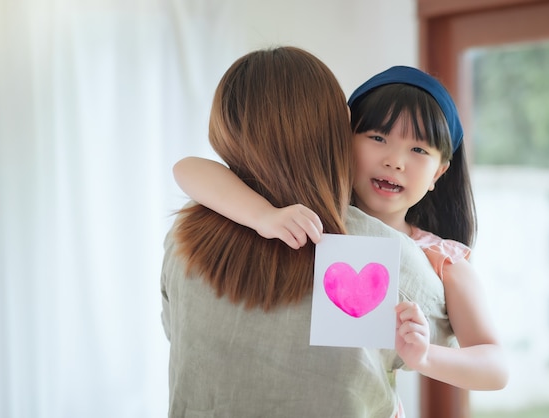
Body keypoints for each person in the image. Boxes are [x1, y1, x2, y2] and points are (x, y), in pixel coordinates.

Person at [172, 65, 509, 393]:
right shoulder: (303, 212)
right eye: (378, 137)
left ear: (439, 173)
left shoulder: (442, 259)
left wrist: (425, 357)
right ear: (343, 140)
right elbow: (189, 169)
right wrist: (264, 216)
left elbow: (495, 367)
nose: (395, 160)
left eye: (418, 149)